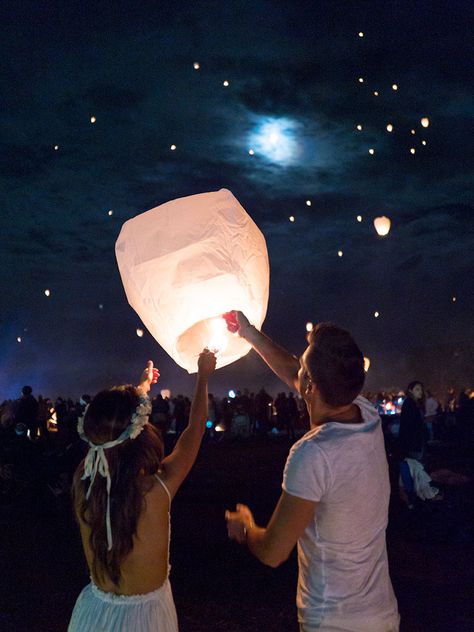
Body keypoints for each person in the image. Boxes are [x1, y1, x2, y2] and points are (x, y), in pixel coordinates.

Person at [223, 311, 399, 632]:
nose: (298, 370)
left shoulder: (314, 453)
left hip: (333, 621)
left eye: (304, 368)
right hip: (381, 613)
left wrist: (246, 528)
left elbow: (274, 552)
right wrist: (249, 333)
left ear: (311, 385)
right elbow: (298, 373)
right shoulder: (366, 412)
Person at [68, 349, 216, 632]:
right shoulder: (157, 488)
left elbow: (112, 434)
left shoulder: (84, 481)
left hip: (93, 613)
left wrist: (142, 388)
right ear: (141, 435)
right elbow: (195, 429)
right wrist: (203, 376)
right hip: (145, 621)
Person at [399, 381, 426, 461]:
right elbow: (410, 425)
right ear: (410, 390)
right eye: (417, 389)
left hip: (415, 442)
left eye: (421, 389)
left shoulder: (414, 403)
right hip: (412, 443)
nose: (420, 391)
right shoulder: (409, 404)